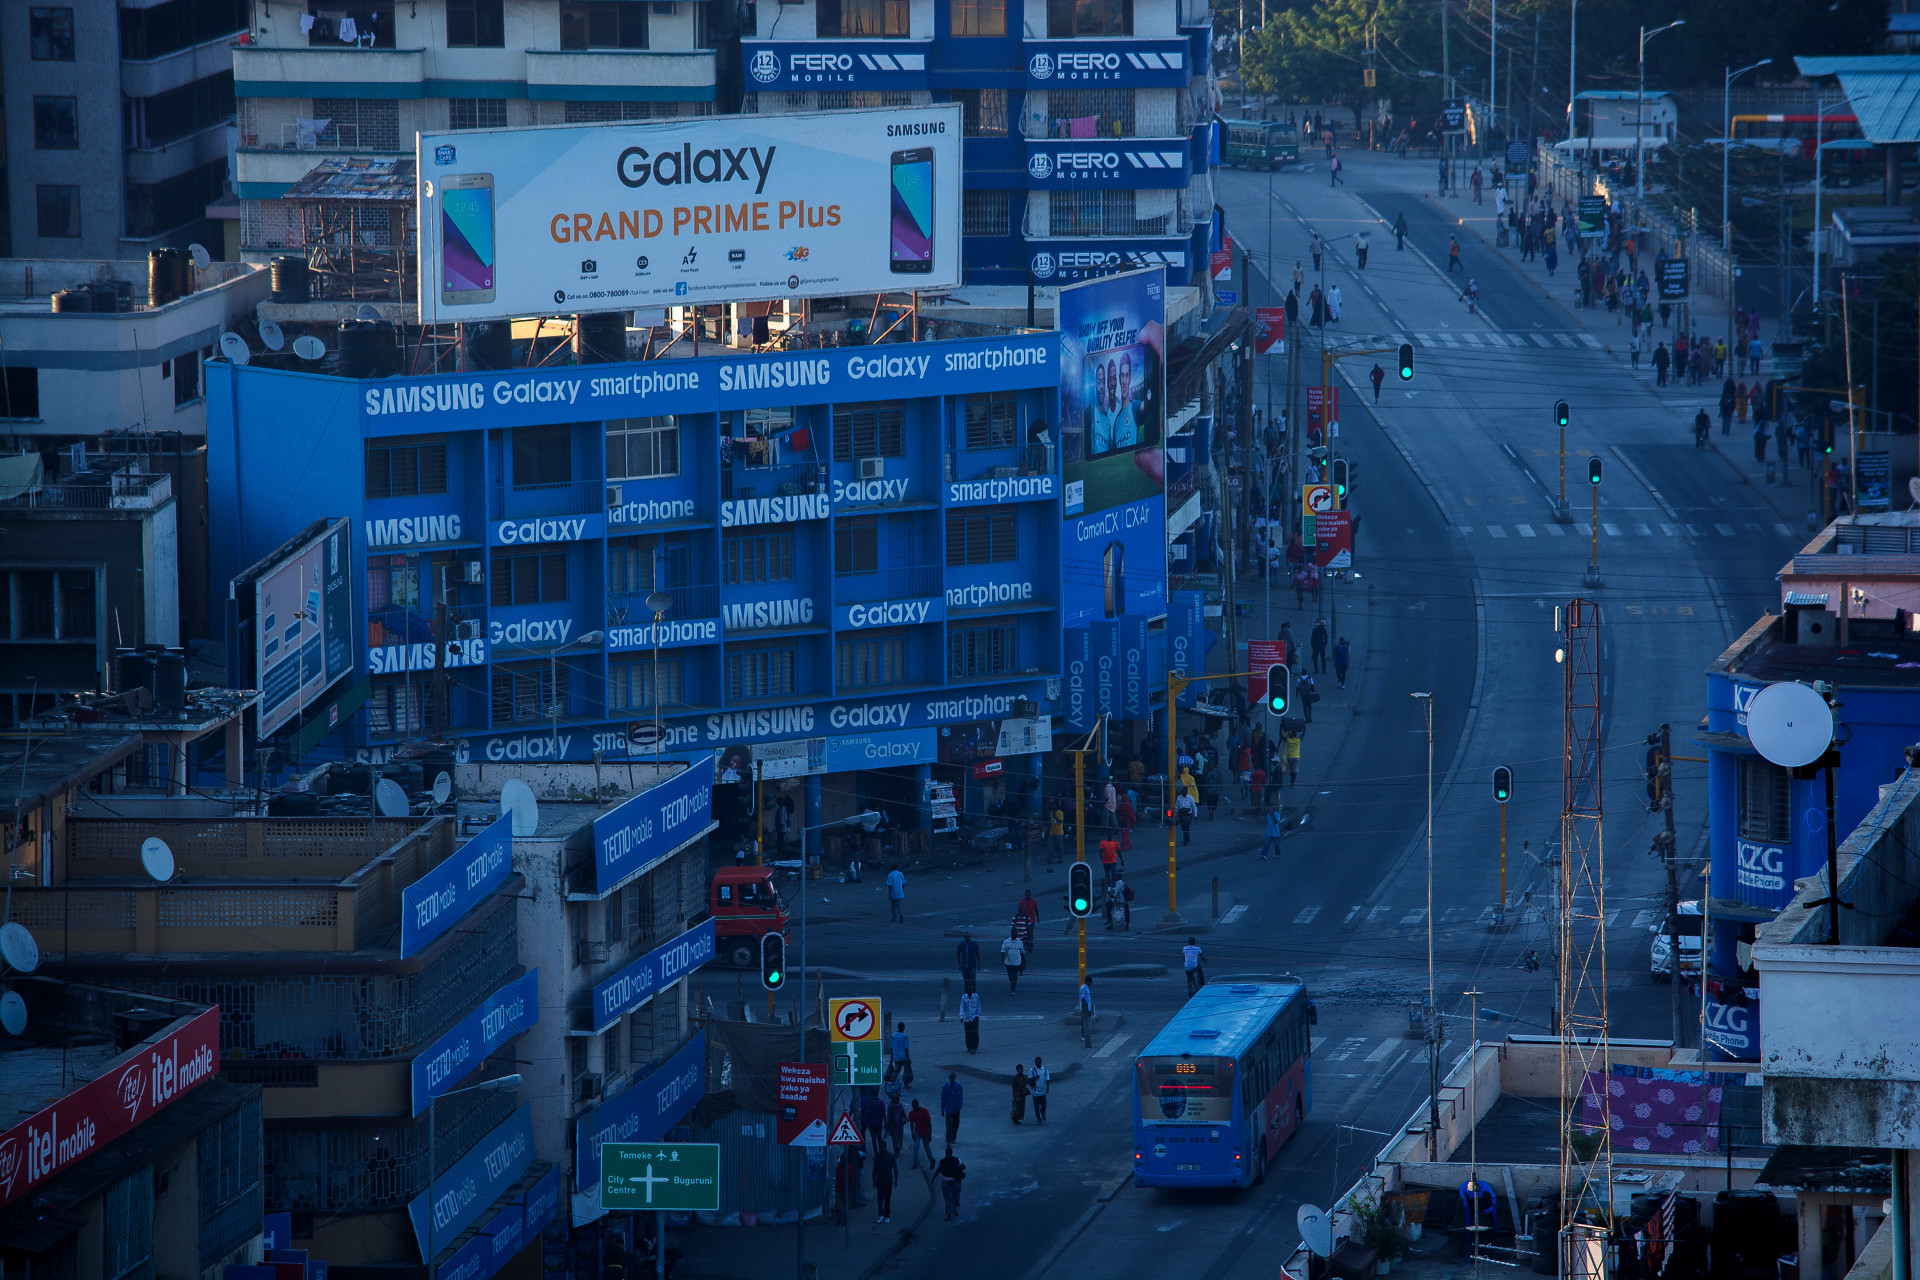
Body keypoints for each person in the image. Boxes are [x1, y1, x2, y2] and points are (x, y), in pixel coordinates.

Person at [935, 1146, 967, 1220]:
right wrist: (933, 1178)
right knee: (948, 1198)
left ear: (951, 1153)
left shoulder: (957, 1160)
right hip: (946, 1182)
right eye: (946, 1154)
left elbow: (963, 1167)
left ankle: (954, 1209)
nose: (947, 1155)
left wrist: (957, 1166)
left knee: (956, 1196)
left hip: (956, 1181)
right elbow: (938, 1170)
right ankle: (949, 1214)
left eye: (949, 1154)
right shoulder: (943, 1161)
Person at [871, 1142, 898, 1222]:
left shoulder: (890, 1156)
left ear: (885, 1147)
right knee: (880, 1198)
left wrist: (896, 1180)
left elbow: (895, 1169)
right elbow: (874, 1170)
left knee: (887, 1198)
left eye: (881, 1147)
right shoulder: (878, 1156)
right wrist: (874, 1181)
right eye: (880, 1147)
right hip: (881, 1180)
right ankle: (881, 1214)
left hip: (888, 1181)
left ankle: (886, 1215)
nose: (880, 1148)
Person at [907, 1098, 934, 1169]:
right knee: (916, 1147)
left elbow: (929, 1123)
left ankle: (932, 1160)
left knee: (926, 1148)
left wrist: (930, 1134)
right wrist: (912, 1134)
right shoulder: (912, 1113)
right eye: (913, 1106)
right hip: (918, 1132)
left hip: (925, 1132)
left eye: (915, 1106)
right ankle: (915, 1164)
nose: (914, 1107)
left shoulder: (924, 1111)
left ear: (918, 1104)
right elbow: (911, 1124)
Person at [940, 1072, 965, 1143]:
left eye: (952, 1078)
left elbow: (960, 1098)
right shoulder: (945, 1087)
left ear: (955, 1078)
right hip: (948, 1109)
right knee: (948, 1125)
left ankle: (953, 1138)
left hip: (956, 1109)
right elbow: (943, 1098)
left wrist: (959, 1107)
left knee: (956, 1124)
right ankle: (948, 1139)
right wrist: (942, 1109)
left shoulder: (959, 1087)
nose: (951, 1079)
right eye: (950, 1078)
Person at [959, 987, 980, 1053]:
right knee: (968, 1033)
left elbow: (978, 1006)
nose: (970, 991)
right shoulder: (964, 997)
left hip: (974, 1017)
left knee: (974, 1033)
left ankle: (974, 1048)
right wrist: (961, 1017)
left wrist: (978, 1015)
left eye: (971, 990)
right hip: (967, 1018)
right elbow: (962, 1007)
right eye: (969, 990)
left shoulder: (976, 996)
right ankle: (969, 1047)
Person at [1029, 1057, 1050, 1123]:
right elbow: (1029, 1080)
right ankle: (1038, 1118)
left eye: (1038, 1062)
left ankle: (1042, 1113)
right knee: (1036, 1107)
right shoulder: (1032, 1070)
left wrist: (1047, 1088)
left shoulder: (1045, 1069)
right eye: (1035, 1062)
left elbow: (1047, 1079)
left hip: (1043, 1091)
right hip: (1035, 1092)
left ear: (1041, 1062)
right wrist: (1035, 1078)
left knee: (1044, 1106)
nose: (1036, 1063)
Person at [1078, 976, 1096, 1048]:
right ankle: (1084, 1036)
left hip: (1088, 1008)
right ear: (1088, 982)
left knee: (1086, 1022)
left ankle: (1086, 1035)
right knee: (1085, 1023)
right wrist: (1085, 1007)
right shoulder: (1083, 988)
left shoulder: (1086, 988)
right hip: (1085, 1009)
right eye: (1090, 982)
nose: (1091, 984)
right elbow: (1083, 998)